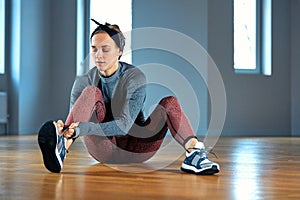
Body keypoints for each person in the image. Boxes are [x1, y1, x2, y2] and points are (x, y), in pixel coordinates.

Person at [37, 19, 220, 175]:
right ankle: (62, 147)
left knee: (169, 102)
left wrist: (81, 129)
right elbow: (76, 120)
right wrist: (69, 129)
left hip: (137, 148)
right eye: (94, 49)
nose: (98, 55)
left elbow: (124, 126)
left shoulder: (134, 76)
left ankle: (194, 153)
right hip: (104, 149)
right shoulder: (84, 82)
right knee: (91, 93)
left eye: (105, 49)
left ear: (119, 51)